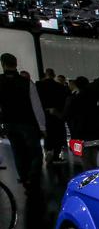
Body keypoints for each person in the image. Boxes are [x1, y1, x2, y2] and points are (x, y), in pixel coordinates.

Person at [0, 53, 45, 192]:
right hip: (28, 123)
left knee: (18, 153)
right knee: (36, 153)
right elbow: (36, 106)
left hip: (9, 123)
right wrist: (42, 126)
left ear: (2, 64)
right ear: (16, 64)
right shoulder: (26, 82)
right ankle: (33, 178)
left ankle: (24, 179)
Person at [36, 67, 70, 162]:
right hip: (56, 114)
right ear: (54, 75)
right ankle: (56, 155)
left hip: (43, 114)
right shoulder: (60, 87)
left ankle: (48, 151)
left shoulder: (38, 85)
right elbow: (63, 101)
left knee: (47, 134)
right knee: (58, 134)